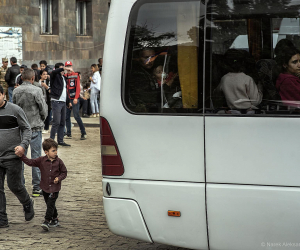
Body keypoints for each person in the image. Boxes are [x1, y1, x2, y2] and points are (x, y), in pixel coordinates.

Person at [0, 85, 35, 228]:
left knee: (14, 185)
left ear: (3, 95)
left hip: (12, 156)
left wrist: (23, 145)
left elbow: (27, 129)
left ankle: (27, 202)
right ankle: (2, 219)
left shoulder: (15, 110)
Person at [16, 138, 67, 231]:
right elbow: (30, 162)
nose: (56, 152)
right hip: (44, 187)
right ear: (46, 152)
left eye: (56, 150)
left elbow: (64, 172)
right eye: (53, 151)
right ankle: (55, 219)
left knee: (51, 203)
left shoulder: (59, 162)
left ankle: (47, 221)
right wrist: (22, 156)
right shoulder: (41, 160)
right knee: (49, 204)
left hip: (54, 188)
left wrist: (59, 178)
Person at [12, 68, 48, 197]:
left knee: (20, 157)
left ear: (21, 78)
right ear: (33, 78)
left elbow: (13, 109)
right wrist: (42, 119)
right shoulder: (37, 90)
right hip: (35, 127)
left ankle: (20, 186)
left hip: (20, 129)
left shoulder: (16, 91)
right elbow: (43, 109)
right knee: (36, 157)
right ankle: (37, 187)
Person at [214, 49, 263, 114]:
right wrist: (260, 89)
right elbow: (256, 101)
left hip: (231, 113)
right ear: (243, 63)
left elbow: (216, 95)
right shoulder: (247, 79)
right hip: (248, 113)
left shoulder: (224, 79)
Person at [49, 63, 71, 147]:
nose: (64, 70)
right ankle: (51, 141)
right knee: (56, 122)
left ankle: (60, 140)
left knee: (62, 122)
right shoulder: (54, 76)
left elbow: (65, 90)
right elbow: (53, 72)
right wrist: (63, 68)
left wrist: (68, 101)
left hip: (63, 102)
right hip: (56, 101)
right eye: (62, 69)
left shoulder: (64, 78)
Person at [64, 61, 87, 140]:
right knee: (67, 116)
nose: (68, 67)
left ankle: (83, 133)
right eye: (67, 66)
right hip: (68, 99)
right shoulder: (65, 76)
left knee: (76, 116)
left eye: (69, 66)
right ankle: (69, 133)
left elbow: (78, 87)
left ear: (72, 66)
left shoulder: (76, 75)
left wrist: (76, 98)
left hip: (74, 99)